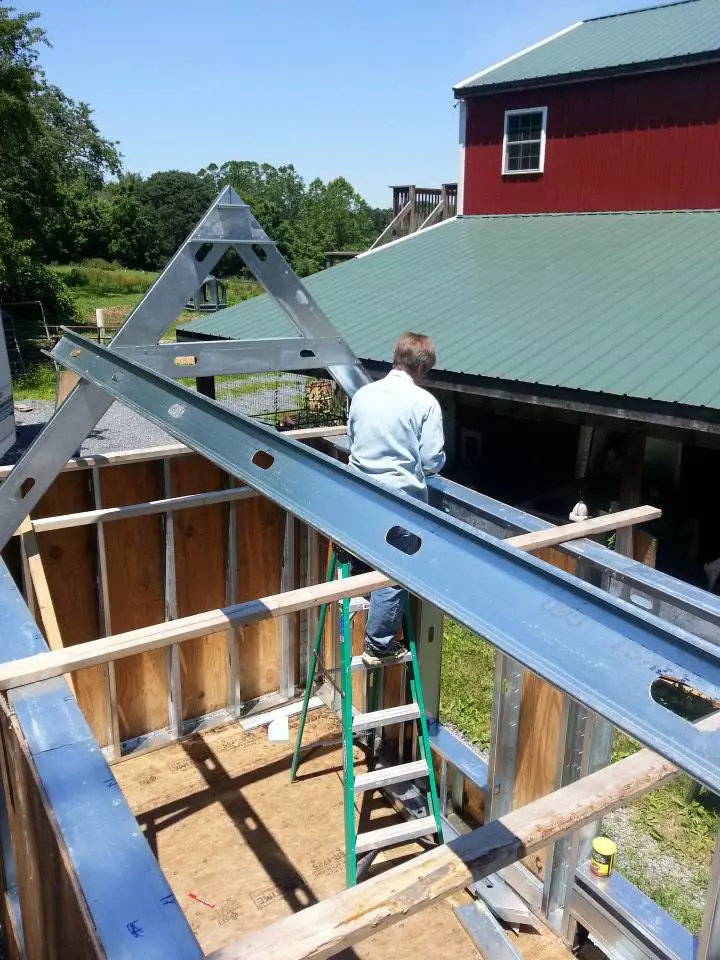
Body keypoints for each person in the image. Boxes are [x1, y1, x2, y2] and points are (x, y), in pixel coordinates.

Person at [347, 332, 445, 666]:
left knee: (369, 554)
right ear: (421, 368)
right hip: (397, 504)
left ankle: (359, 575)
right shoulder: (425, 404)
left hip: (355, 500)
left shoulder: (363, 395)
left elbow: (353, 440)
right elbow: (432, 461)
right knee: (395, 570)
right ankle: (379, 645)